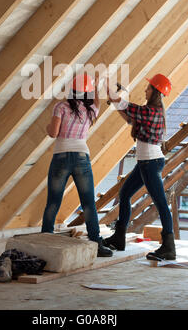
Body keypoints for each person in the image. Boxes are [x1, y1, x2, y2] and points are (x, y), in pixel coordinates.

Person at [103, 74, 176, 261]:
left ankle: (168, 246)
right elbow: (130, 118)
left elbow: (128, 107)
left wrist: (109, 91)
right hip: (145, 162)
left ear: (156, 92)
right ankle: (119, 238)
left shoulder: (152, 112)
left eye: (149, 87)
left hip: (150, 163)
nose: (145, 90)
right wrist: (113, 101)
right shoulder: (150, 111)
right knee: (125, 193)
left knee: (160, 203)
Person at [41, 73, 113, 257]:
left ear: (72, 90)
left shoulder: (61, 107)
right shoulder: (90, 110)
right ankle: (97, 243)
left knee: (53, 201)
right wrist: (96, 85)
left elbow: (53, 133)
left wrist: (48, 127)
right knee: (88, 202)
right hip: (82, 156)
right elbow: (96, 102)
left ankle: (45, 242)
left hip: (61, 156)